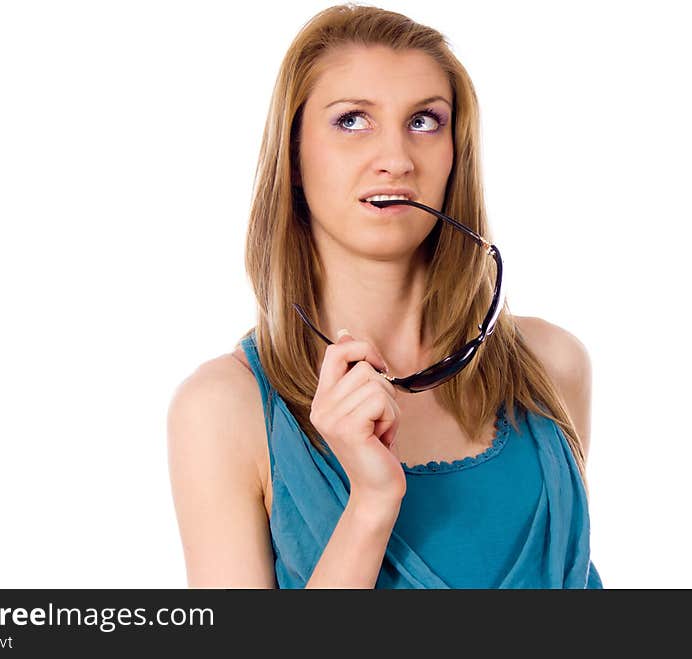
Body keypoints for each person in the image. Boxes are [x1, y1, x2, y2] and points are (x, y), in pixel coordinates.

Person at [167, 3, 602, 589]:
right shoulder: (222, 410)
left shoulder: (552, 365)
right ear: (294, 156)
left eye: (425, 121)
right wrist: (371, 502)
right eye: (351, 120)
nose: (396, 160)